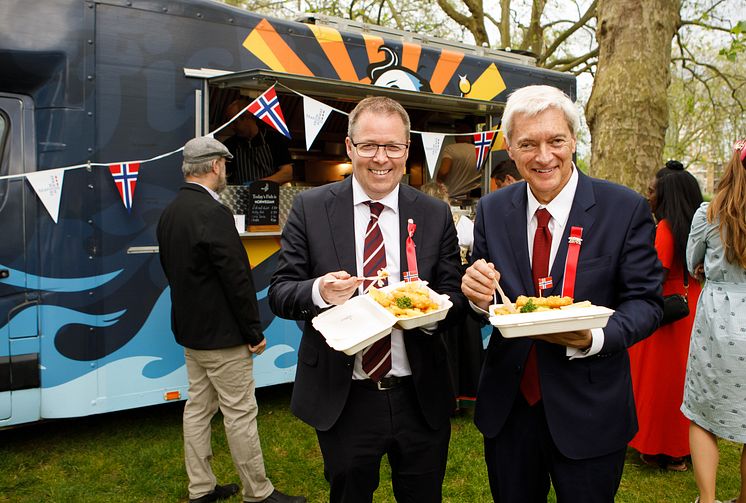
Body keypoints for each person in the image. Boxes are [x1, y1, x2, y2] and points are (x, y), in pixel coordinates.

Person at [461, 85, 664, 502]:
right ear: (509, 148)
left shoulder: (623, 209)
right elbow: (490, 296)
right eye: (528, 144)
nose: (544, 156)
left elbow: (646, 302)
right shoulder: (492, 210)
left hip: (591, 409)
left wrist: (594, 338)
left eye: (556, 140)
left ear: (573, 140)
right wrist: (477, 296)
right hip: (510, 409)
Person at [268, 96, 465, 503]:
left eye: (393, 146)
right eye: (370, 145)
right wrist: (319, 291)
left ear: (407, 150)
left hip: (419, 391)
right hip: (346, 395)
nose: (381, 158)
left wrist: (428, 313)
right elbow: (281, 291)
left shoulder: (432, 213)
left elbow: (454, 294)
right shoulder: (311, 208)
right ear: (350, 147)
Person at [157, 136, 305, 503]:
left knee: (197, 409)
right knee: (239, 413)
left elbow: (171, 271)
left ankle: (201, 488)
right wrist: (253, 331)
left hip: (191, 334)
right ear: (214, 167)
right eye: (224, 164)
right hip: (224, 337)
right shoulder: (213, 212)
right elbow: (237, 278)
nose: (226, 170)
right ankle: (259, 493)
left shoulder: (171, 210)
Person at [628, 160, 703, 472]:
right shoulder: (701, 224)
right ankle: (683, 448)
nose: (649, 196)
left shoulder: (664, 229)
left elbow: (653, 273)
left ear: (666, 195)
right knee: (688, 381)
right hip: (694, 307)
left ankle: (659, 447)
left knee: (659, 383)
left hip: (667, 312)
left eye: (653, 190)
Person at [682, 140, 746, 503]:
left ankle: (707, 500)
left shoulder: (708, 215)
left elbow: (692, 261)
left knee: (703, 417)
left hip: (719, 322)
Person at [223, 98, 293, 185]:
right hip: (242, 196)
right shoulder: (229, 145)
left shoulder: (274, 139)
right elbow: (224, 176)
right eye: (230, 123)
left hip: (269, 195)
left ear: (248, 117)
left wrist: (260, 184)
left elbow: (287, 173)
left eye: (235, 122)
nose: (232, 127)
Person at [436, 120, 481, 198]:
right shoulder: (480, 151)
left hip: (453, 196)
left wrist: (438, 180)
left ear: (456, 136)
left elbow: (444, 171)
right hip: (475, 195)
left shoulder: (451, 149)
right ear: (471, 136)